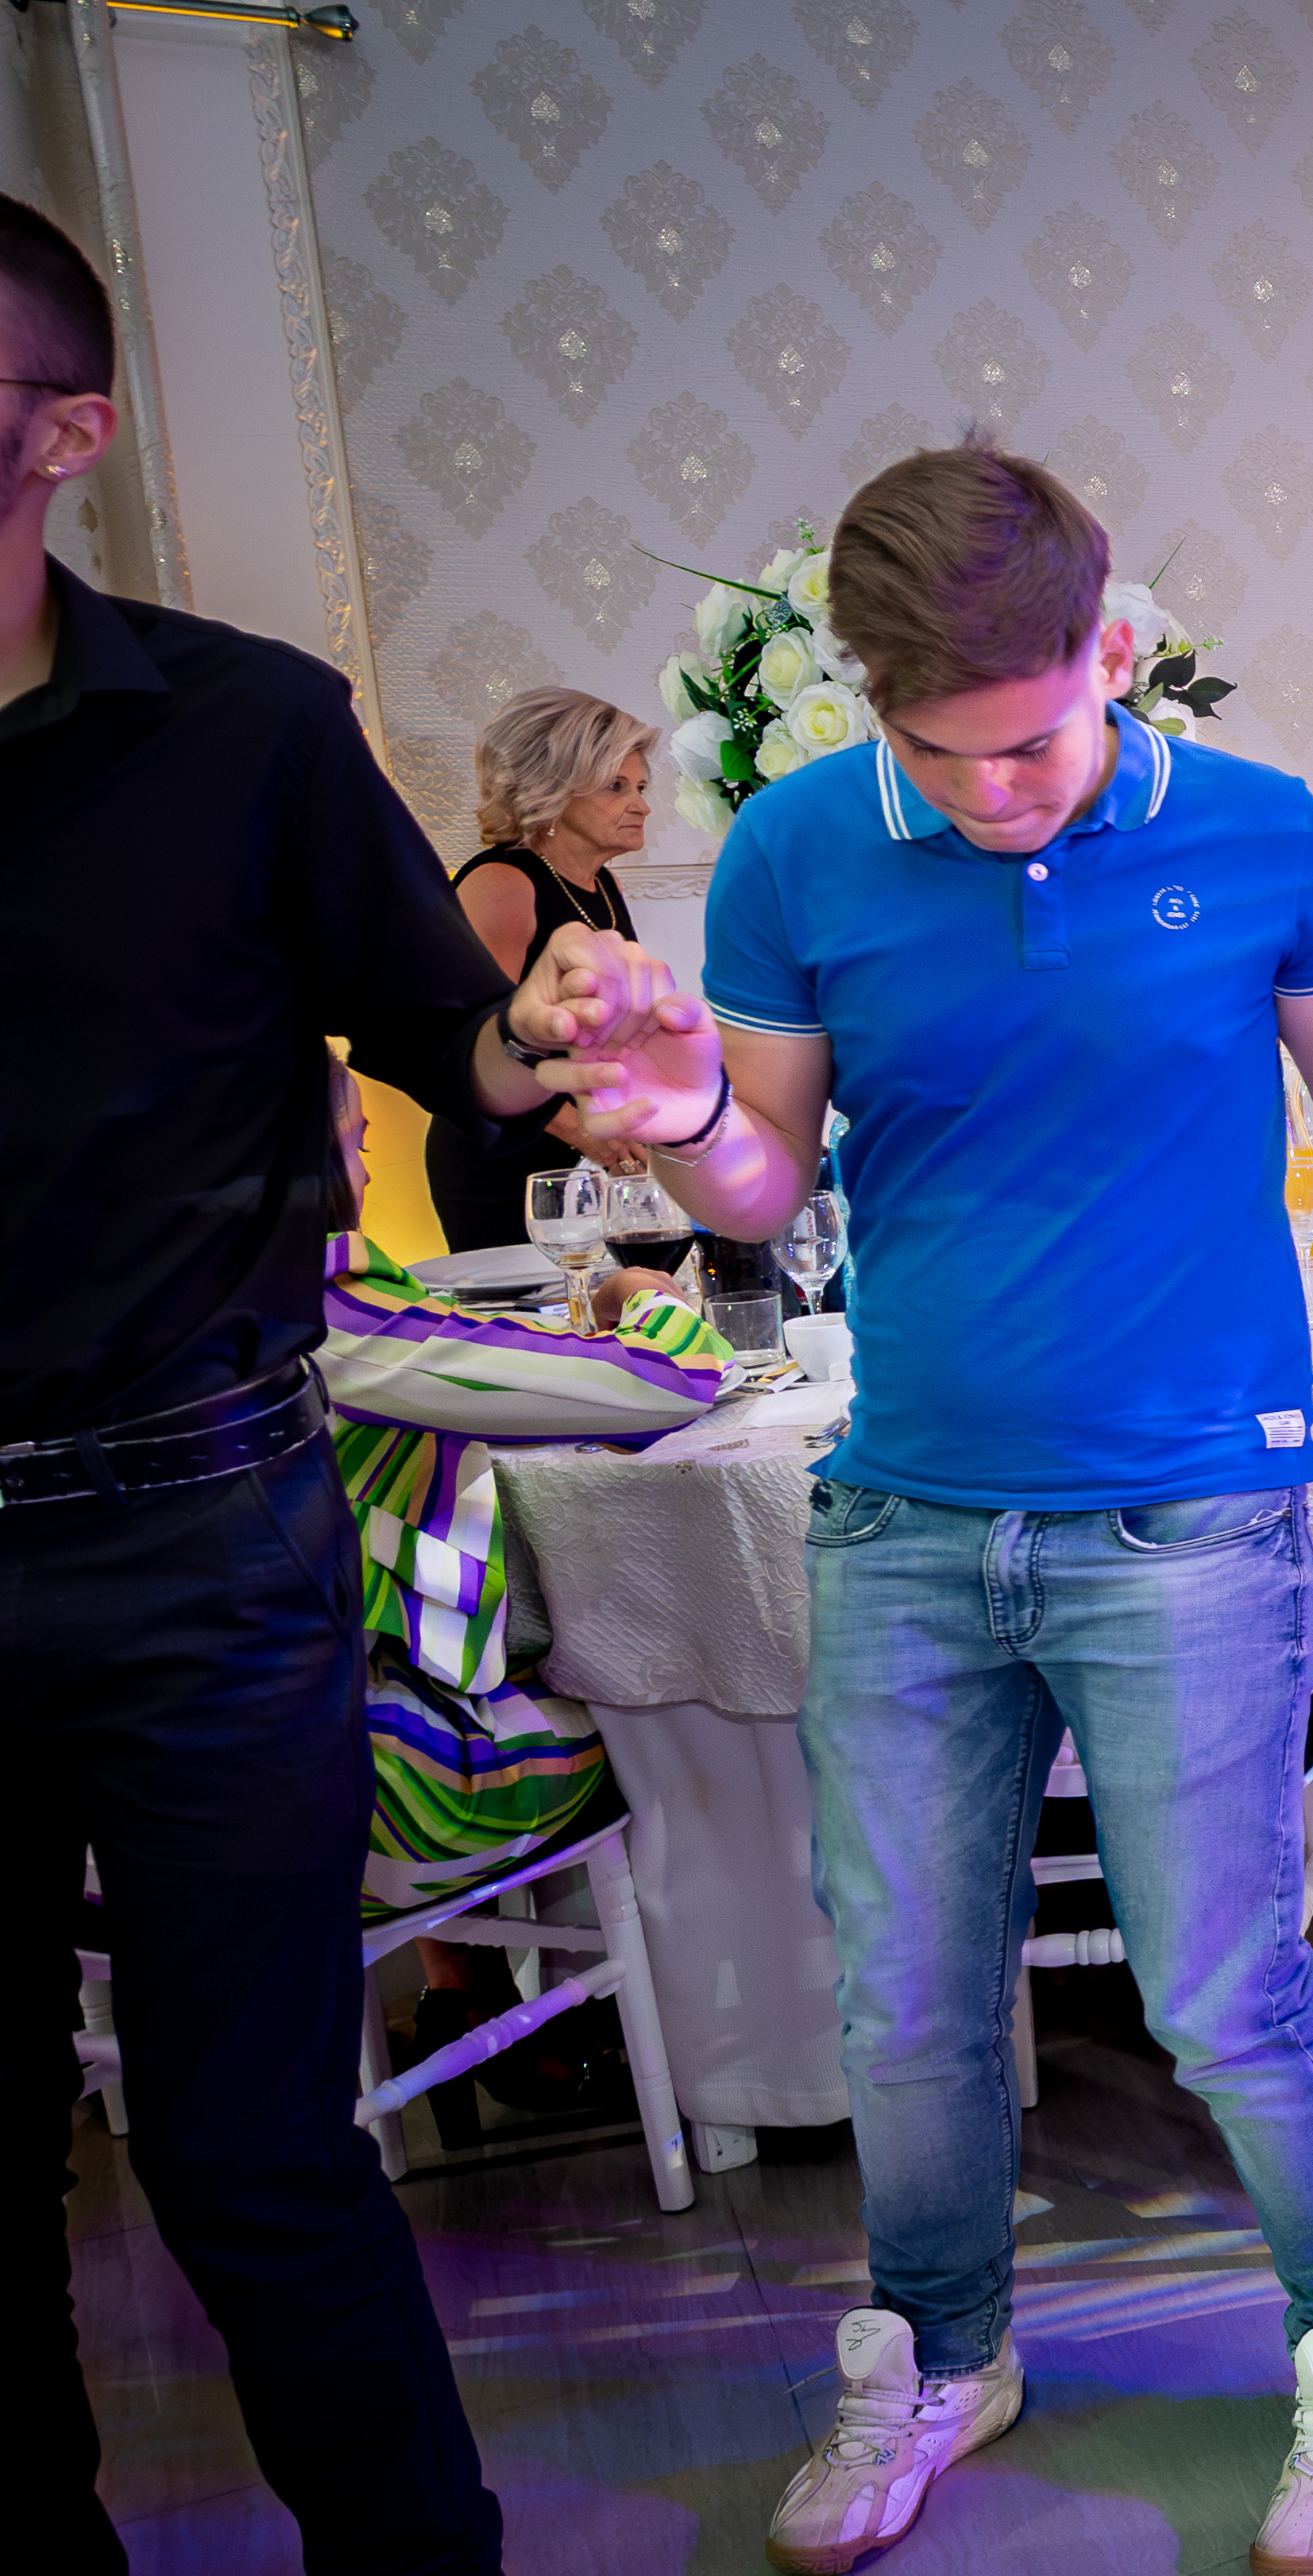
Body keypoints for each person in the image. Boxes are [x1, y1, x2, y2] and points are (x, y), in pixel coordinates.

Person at [579, 431, 1313, 2574]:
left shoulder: (1255, 827)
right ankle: (942, 2345)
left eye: (1034, 740)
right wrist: (683, 1110)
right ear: (869, 698)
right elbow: (762, 1179)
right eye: (946, 753)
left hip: (1188, 1511)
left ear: (1110, 648)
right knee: (905, 1991)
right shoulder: (797, 848)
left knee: (1219, 1982)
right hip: (906, 1513)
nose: (999, 791)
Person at [2, 190, 685, 2576]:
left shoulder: (243, 728)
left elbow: (446, 1044)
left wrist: (565, 1036)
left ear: (67, 434)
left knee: (254, 2152)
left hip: (195, 1529)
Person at [319, 1058, 728, 1924]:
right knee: (677, 1716)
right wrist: (645, 1296)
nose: (365, 1174)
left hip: (88, 1824)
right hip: (358, 1804)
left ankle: (465, 1987)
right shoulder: (315, 1307)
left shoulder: (108, 1310)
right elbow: (663, 1383)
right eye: (357, 1147)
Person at [424, 687, 659, 1248]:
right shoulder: (502, 884)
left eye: (641, 787)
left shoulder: (602, 884)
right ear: (551, 789)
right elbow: (478, 1044)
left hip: (587, 1153)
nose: (642, 806)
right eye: (616, 786)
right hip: (505, 1162)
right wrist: (588, 1135)